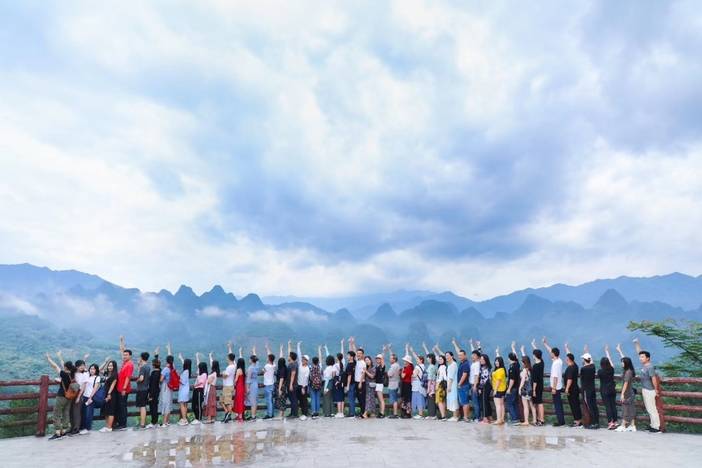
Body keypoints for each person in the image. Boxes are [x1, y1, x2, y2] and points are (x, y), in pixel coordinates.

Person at [634, 338, 662, 433]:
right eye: (640, 357)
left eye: (642, 357)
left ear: (648, 358)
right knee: (649, 408)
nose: (640, 358)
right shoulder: (645, 365)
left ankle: (657, 427)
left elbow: (653, 378)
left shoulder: (650, 367)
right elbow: (640, 352)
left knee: (652, 409)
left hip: (650, 390)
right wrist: (637, 343)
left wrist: (656, 389)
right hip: (645, 389)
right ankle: (652, 425)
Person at [46, 353, 75, 440]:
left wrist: (48, 358)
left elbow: (55, 366)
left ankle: (58, 433)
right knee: (66, 413)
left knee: (57, 413)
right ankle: (64, 431)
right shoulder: (72, 374)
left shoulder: (63, 374)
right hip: (70, 397)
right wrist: (59, 356)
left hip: (61, 396)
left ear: (65, 367)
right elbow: (63, 365)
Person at [542, 337, 565, 426]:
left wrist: (554, 388)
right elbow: (550, 350)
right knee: (559, 404)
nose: (550, 353)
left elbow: (555, 377)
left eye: (551, 353)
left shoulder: (555, 364)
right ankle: (561, 421)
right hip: (559, 385)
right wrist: (545, 344)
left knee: (557, 405)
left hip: (556, 387)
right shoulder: (559, 360)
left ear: (553, 354)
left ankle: (560, 422)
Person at [116, 337, 134, 430]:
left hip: (124, 389)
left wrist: (124, 388)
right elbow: (122, 350)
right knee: (120, 406)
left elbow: (128, 377)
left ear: (130, 356)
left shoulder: (129, 364)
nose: (124, 356)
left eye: (126, 355)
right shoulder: (125, 362)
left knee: (123, 406)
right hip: (120, 388)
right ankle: (121, 423)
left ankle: (123, 424)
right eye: (124, 355)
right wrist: (121, 341)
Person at [615, 355, 637, 432]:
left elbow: (626, 383)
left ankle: (623, 425)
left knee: (625, 409)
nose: (622, 363)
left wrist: (622, 394)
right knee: (631, 408)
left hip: (627, 393)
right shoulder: (630, 371)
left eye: (623, 362)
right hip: (630, 392)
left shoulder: (628, 372)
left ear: (626, 363)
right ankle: (632, 426)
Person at [82, 362, 103, 433]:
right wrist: (85, 359)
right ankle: (83, 427)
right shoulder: (87, 375)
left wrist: (90, 397)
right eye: (91, 369)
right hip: (84, 396)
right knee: (84, 413)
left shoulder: (97, 377)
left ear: (96, 370)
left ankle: (87, 429)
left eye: (94, 369)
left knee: (89, 413)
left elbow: (95, 388)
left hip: (90, 397)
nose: (92, 370)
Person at [580, 351, 599, 429]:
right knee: (594, 405)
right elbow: (592, 363)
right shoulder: (593, 367)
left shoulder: (583, 369)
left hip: (586, 390)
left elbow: (582, 379)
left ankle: (592, 423)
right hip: (592, 389)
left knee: (589, 406)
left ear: (584, 360)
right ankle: (596, 422)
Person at [601, 345, 619, 429]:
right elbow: (611, 362)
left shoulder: (600, 371)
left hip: (604, 390)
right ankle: (615, 422)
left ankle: (610, 423)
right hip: (612, 389)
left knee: (608, 406)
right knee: (613, 405)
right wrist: (607, 352)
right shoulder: (611, 369)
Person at [563, 351, 582, 428]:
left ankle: (577, 421)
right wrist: (567, 349)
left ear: (569, 359)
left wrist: (567, 388)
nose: (565, 360)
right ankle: (577, 420)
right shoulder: (575, 366)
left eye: (566, 358)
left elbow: (569, 379)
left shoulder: (570, 368)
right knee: (575, 404)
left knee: (574, 405)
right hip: (575, 388)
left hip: (571, 389)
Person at [99, 360, 119, 433]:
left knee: (110, 411)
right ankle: (107, 426)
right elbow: (99, 370)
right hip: (105, 393)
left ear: (114, 367)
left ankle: (109, 427)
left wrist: (109, 394)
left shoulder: (115, 375)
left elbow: (113, 385)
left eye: (111, 366)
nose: (110, 367)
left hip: (111, 394)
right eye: (109, 366)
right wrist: (105, 362)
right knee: (106, 410)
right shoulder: (107, 373)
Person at [70, 359, 88, 435]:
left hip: (79, 393)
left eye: (83, 366)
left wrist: (78, 397)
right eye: (81, 366)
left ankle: (76, 429)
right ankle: (72, 428)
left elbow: (83, 386)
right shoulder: (73, 373)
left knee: (76, 412)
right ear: (77, 366)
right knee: (71, 411)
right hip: (72, 393)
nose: (82, 367)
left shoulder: (85, 374)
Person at [135, 351, 151, 430]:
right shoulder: (148, 367)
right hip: (146, 388)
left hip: (141, 389)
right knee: (143, 406)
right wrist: (139, 365)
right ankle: (143, 423)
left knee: (142, 407)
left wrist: (137, 380)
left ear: (141, 358)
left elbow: (141, 378)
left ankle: (142, 424)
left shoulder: (143, 367)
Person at [518, 352, 536, 426]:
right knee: (532, 405)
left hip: (525, 390)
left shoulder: (525, 370)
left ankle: (526, 421)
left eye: (522, 362)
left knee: (525, 406)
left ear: (524, 362)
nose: (522, 363)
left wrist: (520, 388)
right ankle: (534, 420)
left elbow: (523, 380)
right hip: (530, 390)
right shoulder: (530, 369)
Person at [505, 344, 521, 424]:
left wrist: (509, 389)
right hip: (516, 387)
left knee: (509, 404)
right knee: (515, 403)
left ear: (509, 359)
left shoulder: (512, 367)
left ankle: (514, 419)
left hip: (512, 388)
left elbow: (512, 379)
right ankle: (517, 418)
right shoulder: (517, 365)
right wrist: (513, 348)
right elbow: (516, 357)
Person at [530, 343, 545, 426]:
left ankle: (541, 420)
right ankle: (540, 418)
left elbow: (535, 380)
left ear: (535, 355)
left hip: (536, 386)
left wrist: (534, 390)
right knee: (539, 402)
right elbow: (538, 353)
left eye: (533, 354)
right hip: (541, 384)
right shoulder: (542, 362)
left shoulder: (536, 366)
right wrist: (534, 345)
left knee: (539, 402)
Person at [455, 346, 471, 422]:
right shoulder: (462, 363)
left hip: (464, 385)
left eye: (461, 355)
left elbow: (464, 375)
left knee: (465, 402)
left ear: (465, 355)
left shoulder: (466, 364)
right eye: (459, 355)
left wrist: (459, 384)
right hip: (462, 385)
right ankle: (463, 416)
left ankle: (466, 417)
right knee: (462, 401)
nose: (460, 357)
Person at [351, 339, 367, 417]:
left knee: (362, 398)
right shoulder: (357, 361)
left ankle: (364, 413)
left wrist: (360, 383)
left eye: (360, 353)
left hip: (361, 382)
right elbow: (354, 351)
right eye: (358, 353)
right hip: (356, 382)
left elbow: (363, 373)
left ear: (363, 354)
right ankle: (362, 412)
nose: (358, 354)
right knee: (358, 397)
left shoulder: (363, 363)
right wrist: (353, 343)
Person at [158, 354, 174, 427]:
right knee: (169, 403)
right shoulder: (172, 368)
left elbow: (161, 379)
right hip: (170, 387)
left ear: (166, 361)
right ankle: (167, 421)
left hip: (165, 387)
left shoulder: (165, 369)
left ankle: (164, 422)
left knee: (165, 403)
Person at [221, 347, 237, 423]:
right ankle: (228, 414)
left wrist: (223, 373)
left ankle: (229, 414)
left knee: (227, 402)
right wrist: (230, 348)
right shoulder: (234, 366)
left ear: (229, 358)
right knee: (223, 401)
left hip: (227, 386)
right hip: (230, 385)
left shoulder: (229, 367)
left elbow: (225, 376)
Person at [203, 358, 220, 424]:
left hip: (210, 388)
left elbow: (209, 381)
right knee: (212, 403)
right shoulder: (215, 373)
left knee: (210, 403)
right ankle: (212, 418)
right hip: (213, 388)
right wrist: (210, 357)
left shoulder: (213, 374)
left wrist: (207, 380)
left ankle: (209, 418)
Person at [410, 351, 426, 419]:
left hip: (417, 385)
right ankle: (421, 414)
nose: (416, 360)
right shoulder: (423, 366)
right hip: (421, 384)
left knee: (418, 399)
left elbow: (414, 375)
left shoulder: (417, 367)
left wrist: (411, 375)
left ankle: (420, 414)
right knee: (421, 399)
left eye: (417, 359)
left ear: (421, 360)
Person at [491, 355, 506, 425]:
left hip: (498, 389)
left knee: (498, 405)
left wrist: (495, 390)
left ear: (501, 362)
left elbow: (498, 381)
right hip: (502, 389)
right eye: (495, 361)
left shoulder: (499, 370)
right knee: (502, 404)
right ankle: (502, 419)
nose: (496, 362)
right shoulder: (502, 369)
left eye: (498, 361)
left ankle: (498, 419)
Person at [146, 356, 161, 428]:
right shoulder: (159, 372)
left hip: (153, 393)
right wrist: (156, 356)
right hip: (157, 392)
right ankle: (155, 422)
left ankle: (153, 422)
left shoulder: (154, 373)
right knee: (155, 407)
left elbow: (152, 385)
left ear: (153, 365)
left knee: (153, 408)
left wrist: (150, 395)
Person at [192, 359, 207, 425]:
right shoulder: (200, 374)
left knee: (198, 404)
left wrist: (195, 385)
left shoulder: (204, 374)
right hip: (196, 390)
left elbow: (202, 382)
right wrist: (197, 357)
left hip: (199, 390)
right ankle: (196, 418)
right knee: (194, 405)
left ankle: (199, 419)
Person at [478, 353, 493, 423]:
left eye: (482, 359)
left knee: (484, 401)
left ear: (486, 360)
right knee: (486, 401)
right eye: (480, 359)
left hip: (485, 386)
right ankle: (490, 417)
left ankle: (485, 418)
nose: (481, 360)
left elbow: (484, 379)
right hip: (487, 386)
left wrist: (480, 388)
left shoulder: (486, 368)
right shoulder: (484, 367)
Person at [296, 347, 310, 420]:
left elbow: (306, 379)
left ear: (307, 361)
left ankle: (305, 414)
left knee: (304, 400)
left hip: (303, 386)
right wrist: (298, 346)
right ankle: (302, 413)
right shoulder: (300, 365)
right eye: (302, 359)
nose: (302, 360)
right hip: (299, 385)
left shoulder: (307, 369)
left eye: (304, 359)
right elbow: (299, 355)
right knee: (300, 400)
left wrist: (303, 388)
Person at [177, 356, 191, 426]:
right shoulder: (188, 371)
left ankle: (184, 419)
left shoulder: (185, 372)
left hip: (183, 390)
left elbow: (182, 381)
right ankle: (184, 419)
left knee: (182, 404)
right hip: (186, 390)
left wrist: (177, 377)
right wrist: (181, 358)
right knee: (185, 404)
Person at [387, 353, 401, 418]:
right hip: (396, 383)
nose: (390, 359)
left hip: (392, 384)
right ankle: (395, 413)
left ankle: (395, 414)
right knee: (395, 398)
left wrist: (388, 372)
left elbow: (389, 374)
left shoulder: (393, 366)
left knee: (394, 399)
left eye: (391, 358)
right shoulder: (398, 365)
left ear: (394, 359)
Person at [470, 346, 482, 422]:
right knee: (475, 401)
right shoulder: (474, 363)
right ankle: (476, 416)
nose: (472, 357)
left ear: (477, 356)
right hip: (473, 384)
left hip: (475, 385)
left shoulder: (477, 364)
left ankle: (477, 417)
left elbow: (476, 375)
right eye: (472, 355)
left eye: (474, 355)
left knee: (475, 402)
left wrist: (474, 386)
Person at [246, 353, 260, 420]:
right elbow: (257, 362)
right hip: (256, 384)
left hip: (251, 385)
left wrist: (247, 387)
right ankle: (254, 415)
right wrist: (254, 352)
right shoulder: (257, 366)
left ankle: (253, 416)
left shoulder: (250, 368)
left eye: (249, 359)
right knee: (255, 400)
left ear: (251, 360)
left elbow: (248, 379)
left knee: (252, 401)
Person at [263, 353, 276, 419]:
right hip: (272, 384)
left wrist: (263, 370)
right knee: (271, 400)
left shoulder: (267, 366)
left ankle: (269, 414)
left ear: (269, 359)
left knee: (268, 400)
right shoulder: (273, 365)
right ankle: (272, 413)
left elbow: (263, 371)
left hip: (267, 385)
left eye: (267, 357)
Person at [446, 351, 458, 421]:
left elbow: (451, 377)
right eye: (446, 356)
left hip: (452, 385)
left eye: (448, 355)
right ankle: (455, 416)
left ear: (452, 356)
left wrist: (449, 386)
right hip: (450, 384)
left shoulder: (453, 364)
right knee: (451, 399)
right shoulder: (450, 365)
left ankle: (455, 416)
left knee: (453, 399)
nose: (446, 357)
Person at [287, 350, 300, 418]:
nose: (288, 357)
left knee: (294, 399)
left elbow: (293, 374)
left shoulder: (294, 364)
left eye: (289, 356)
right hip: (291, 384)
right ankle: (292, 413)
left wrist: (291, 384)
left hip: (293, 384)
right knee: (292, 399)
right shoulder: (292, 364)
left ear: (291, 357)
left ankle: (295, 414)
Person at [374, 351, 386, 418]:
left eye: (379, 359)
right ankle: (380, 412)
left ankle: (382, 413)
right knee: (379, 399)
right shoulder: (376, 366)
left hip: (379, 384)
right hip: (376, 383)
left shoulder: (382, 366)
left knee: (381, 399)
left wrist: (383, 352)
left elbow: (383, 359)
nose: (378, 359)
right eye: (377, 358)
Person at [435, 354, 448, 420]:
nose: (439, 360)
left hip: (440, 385)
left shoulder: (442, 367)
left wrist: (437, 385)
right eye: (439, 359)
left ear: (444, 360)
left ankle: (443, 416)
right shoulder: (444, 366)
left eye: (441, 359)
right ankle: (444, 415)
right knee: (442, 401)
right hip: (443, 385)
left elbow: (440, 378)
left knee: (439, 401)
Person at [333, 352, 346, 417]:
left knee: (338, 397)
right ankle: (342, 412)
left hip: (337, 381)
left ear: (337, 358)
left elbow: (333, 375)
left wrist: (335, 380)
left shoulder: (335, 365)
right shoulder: (343, 364)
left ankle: (339, 412)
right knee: (342, 397)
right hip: (342, 382)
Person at [345, 350, 357, 417]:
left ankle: (352, 413)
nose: (347, 356)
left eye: (348, 355)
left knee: (351, 399)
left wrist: (347, 385)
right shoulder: (355, 363)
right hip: (355, 383)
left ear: (352, 357)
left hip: (351, 384)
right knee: (353, 398)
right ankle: (351, 412)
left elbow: (349, 376)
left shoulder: (349, 365)